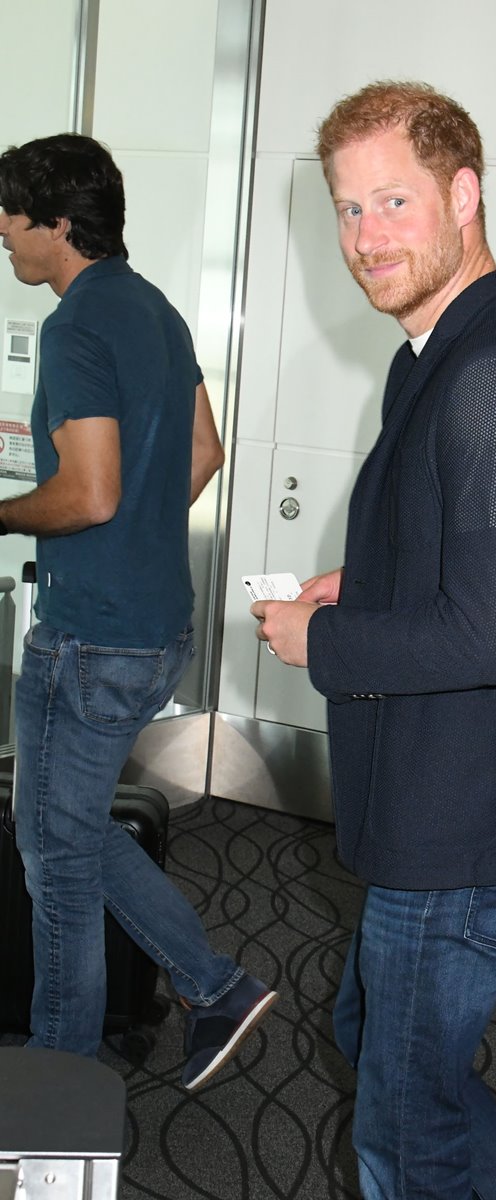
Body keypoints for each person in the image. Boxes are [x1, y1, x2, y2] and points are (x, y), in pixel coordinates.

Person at [251, 81, 496, 1199]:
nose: (365, 237)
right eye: (348, 211)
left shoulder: (488, 375)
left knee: (403, 1140)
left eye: (392, 201)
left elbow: (485, 635)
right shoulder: (442, 353)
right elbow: (492, 559)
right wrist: (366, 580)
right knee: (386, 1050)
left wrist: (323, 640)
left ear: (464, 193)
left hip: (461, 829)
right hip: (449, 804)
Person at [0, 134, 276, 1087]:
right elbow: (204, 449)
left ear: (58, 226)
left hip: (90, 634)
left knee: (55, 860)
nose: (1, 231)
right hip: (155, 623)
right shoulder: (153, 308)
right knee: (62, 833)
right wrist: (138, 536)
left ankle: (60, 1065)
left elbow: (88, 495)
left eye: (11, 213)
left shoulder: (76, 327)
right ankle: (214, 986)